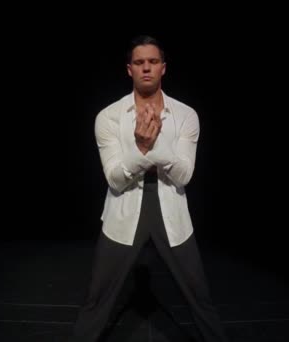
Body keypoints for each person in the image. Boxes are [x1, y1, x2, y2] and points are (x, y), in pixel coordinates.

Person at [69, 35, 230, 342]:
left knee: (200, 297)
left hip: (172, 210)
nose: (146, 68)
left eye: (153, 62)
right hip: (124, 209)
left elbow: (183, 177)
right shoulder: (109, 117)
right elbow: (115, 178)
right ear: (129, 69)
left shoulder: (186, 115)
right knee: (97, 298)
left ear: (163, 68)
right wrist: (145, 149)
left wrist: (148, 149)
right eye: (139, 62)